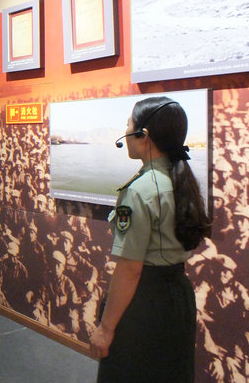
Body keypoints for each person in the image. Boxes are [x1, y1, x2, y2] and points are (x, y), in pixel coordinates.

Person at [89, 97, 211, 382]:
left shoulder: (140, 190)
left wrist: (105, 328)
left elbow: (130, 269)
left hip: (144, 303)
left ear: (143, 135)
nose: (125, 132)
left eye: (128, 125)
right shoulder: (182, 180)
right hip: (178, 297)